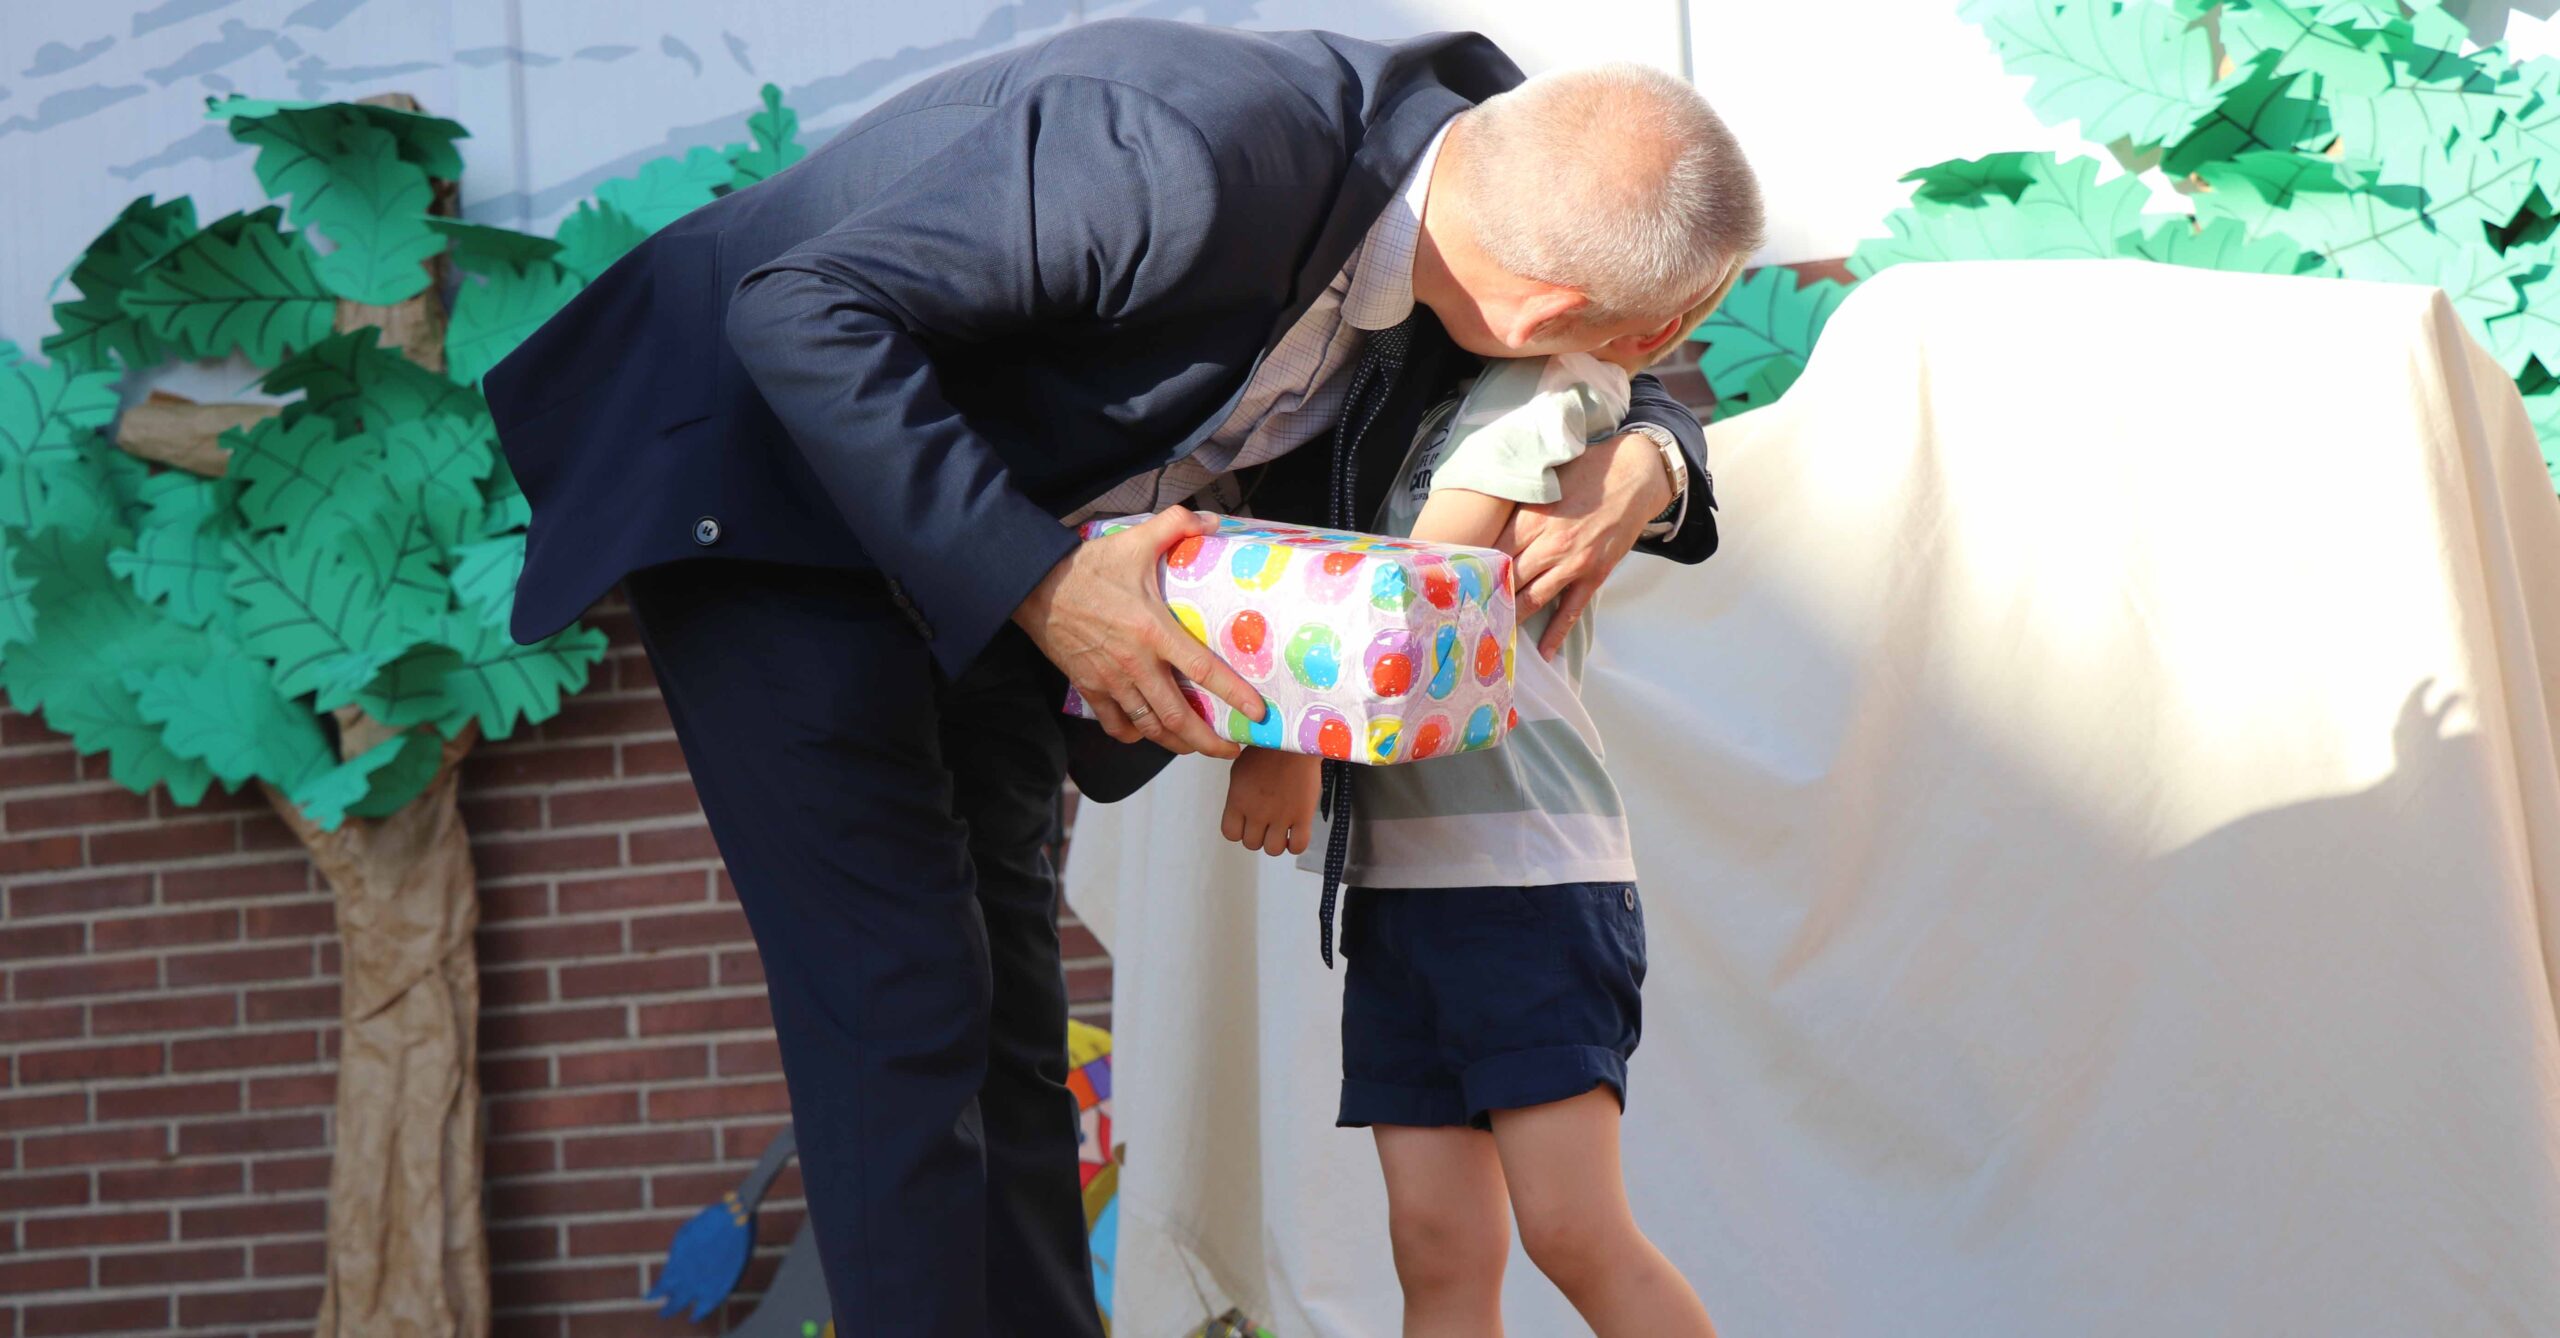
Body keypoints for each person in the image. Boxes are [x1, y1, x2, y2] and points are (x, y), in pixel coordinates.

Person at [486, 19, 1755, 1334]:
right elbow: (799, 309)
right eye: (1622, 339)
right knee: (903, 1003)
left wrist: (1658, 458)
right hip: (775, 492)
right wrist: (1040, 584)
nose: (1615, 362)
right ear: (1546, 317)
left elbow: (1613, 379)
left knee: (1011, 1019)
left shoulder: (1492, 197)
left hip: (985, 530)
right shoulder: (1187, 150)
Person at [1218, 251, 1752, 1337]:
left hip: (1525, 879)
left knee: (1571, 1229)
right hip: (1400, 883)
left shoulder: (1561, 383)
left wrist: (1293, 736)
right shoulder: (1410, 402)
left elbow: (1424, 576)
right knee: (1436, 1246)